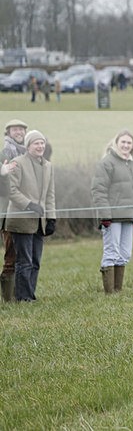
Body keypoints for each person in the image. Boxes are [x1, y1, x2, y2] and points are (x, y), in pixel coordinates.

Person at [91, 130, 133, 293]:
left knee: (125, 253)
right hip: (112, 217)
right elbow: (98, 190)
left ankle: (118, 289)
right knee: (111, 251)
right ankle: (110, 292)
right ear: (116, 143)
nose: (126, 145)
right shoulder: (107, 163)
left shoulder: (132, 164)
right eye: (123, 142)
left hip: (129, 216)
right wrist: (105, 215)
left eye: (129, 143)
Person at [4, 130, 56, 301]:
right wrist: (29, 204)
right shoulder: (17, 163)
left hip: (39, 222)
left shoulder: (48, 166)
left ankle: (30, 294)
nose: (40, 146)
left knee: (36, 261)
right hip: (21, 221)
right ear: (28, 146)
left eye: (42, 143)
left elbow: (50, 194)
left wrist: (51, 217)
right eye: (36, 143)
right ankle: (23, 298)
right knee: (24, 261)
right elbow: (11, 191)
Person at [1, 119, 28, 302]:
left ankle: (16, 294)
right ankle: (8, 297)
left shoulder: (26, 153)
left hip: (22, 211)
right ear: (8, 132)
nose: (18, 132)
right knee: (11, 252)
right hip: (6, 211)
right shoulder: (5, 152)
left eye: (21, 129)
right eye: (15, 129)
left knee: (19, 253)